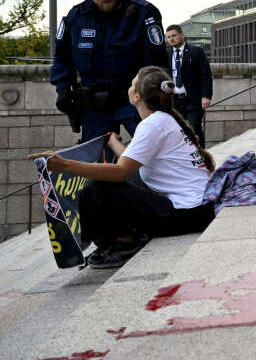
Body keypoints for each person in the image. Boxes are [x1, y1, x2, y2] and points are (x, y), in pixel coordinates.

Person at [28, 66, 216, 269]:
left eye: (132, 83)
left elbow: (120, 172)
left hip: (187, 215)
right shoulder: (164, 120)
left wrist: (65, 165)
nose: (129, 86)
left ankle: (126, 242)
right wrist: (112, 141)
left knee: (98, 188)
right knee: (124, 179)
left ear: (137, 96)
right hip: (198, 210)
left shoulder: (152, 124)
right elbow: (133, 162)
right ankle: (119, 238)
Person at [51, 0, 170, 140]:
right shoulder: (76, 17)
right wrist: (63, 90)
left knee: (152, 154)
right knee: (96, 161)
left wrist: (152, 98)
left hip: (135, 100)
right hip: (94, 107)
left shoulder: (144, 13)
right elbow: (62, 58)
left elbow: (157, 62)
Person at [166, 25, 213, 148]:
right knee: (176, 131)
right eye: (169, 37)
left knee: (194, 127)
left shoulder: (196, 51)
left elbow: (206, 74)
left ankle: (202, 157)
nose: (171, 39)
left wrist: (206, 96)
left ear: (182, 35)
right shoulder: (166, 54)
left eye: (174, 35)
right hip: (174, 101)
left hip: (193, 99)